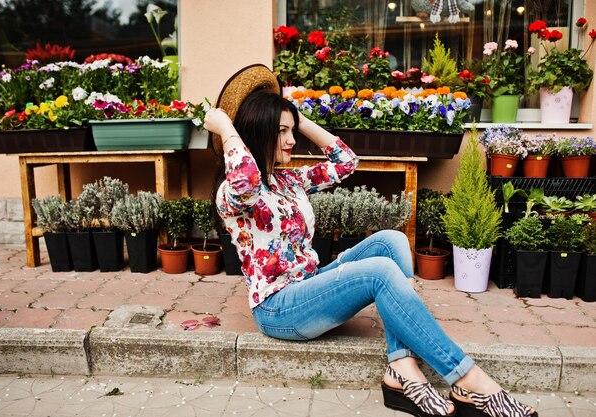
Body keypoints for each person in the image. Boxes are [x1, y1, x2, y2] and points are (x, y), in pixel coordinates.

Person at [204, 66, 537, 417]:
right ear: (256, 134)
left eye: (291, 131)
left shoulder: (288, 180)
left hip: (310, 285)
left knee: (391, 242)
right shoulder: (233, 194)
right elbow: (246, 181)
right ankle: (468, 379)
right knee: (379, 272)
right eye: (281, 132)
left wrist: (298, 118)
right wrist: (227, 128)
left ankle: (401, 367)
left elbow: (346, 161)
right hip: (278, 308)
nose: (291, 140)